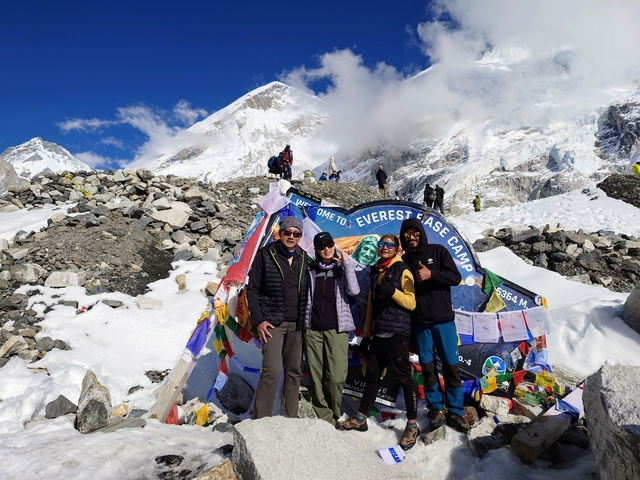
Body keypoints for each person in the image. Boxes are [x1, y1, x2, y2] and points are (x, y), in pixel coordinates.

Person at [337, 234, 420, 450]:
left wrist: (392, 291)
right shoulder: (377, 271)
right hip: (378, 334)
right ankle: (361, 419)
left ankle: (412, 425)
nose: (384, 247)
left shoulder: (403, 270)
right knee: (372, 378)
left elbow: (411, 303)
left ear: (396, 249)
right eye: (381, 244)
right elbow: (371, 308)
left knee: (405, 378)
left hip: (397, 335)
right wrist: (366, 336)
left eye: (389, 245)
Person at [399, 218, 470, 433]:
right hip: (420, 323)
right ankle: (435, 408)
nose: (412, 237)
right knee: (428, 368)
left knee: (451, 365)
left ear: (421, 233)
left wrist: (432, 274)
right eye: (407, 234)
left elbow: (456, 277)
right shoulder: (402, 261)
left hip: (443, 320)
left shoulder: (438, 251)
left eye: (415, 233)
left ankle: (455, 411)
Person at [246, 215, 309, 419]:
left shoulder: (304, 257)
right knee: (272, 370)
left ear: (300, 237)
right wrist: (259, 319)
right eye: (287, 232)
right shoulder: (265, 255)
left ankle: (289, 418)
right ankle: (261, 421)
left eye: (296, 234)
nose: (291, 236)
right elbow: (253, 289)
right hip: (273, 323)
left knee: (294, 371)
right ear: (279, 233)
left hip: (297, 324)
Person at [303, 232, 360, 425]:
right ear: (317, 250)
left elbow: (354, 291)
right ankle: (325, 416)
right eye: (321, 246)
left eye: (329, 244)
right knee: (316, 374)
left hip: (337, 329)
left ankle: (335, 412)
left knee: (336, 376)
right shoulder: (310, 271)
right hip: (313, 330)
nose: (326, 249)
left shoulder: (341, 270)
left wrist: (347, 264)